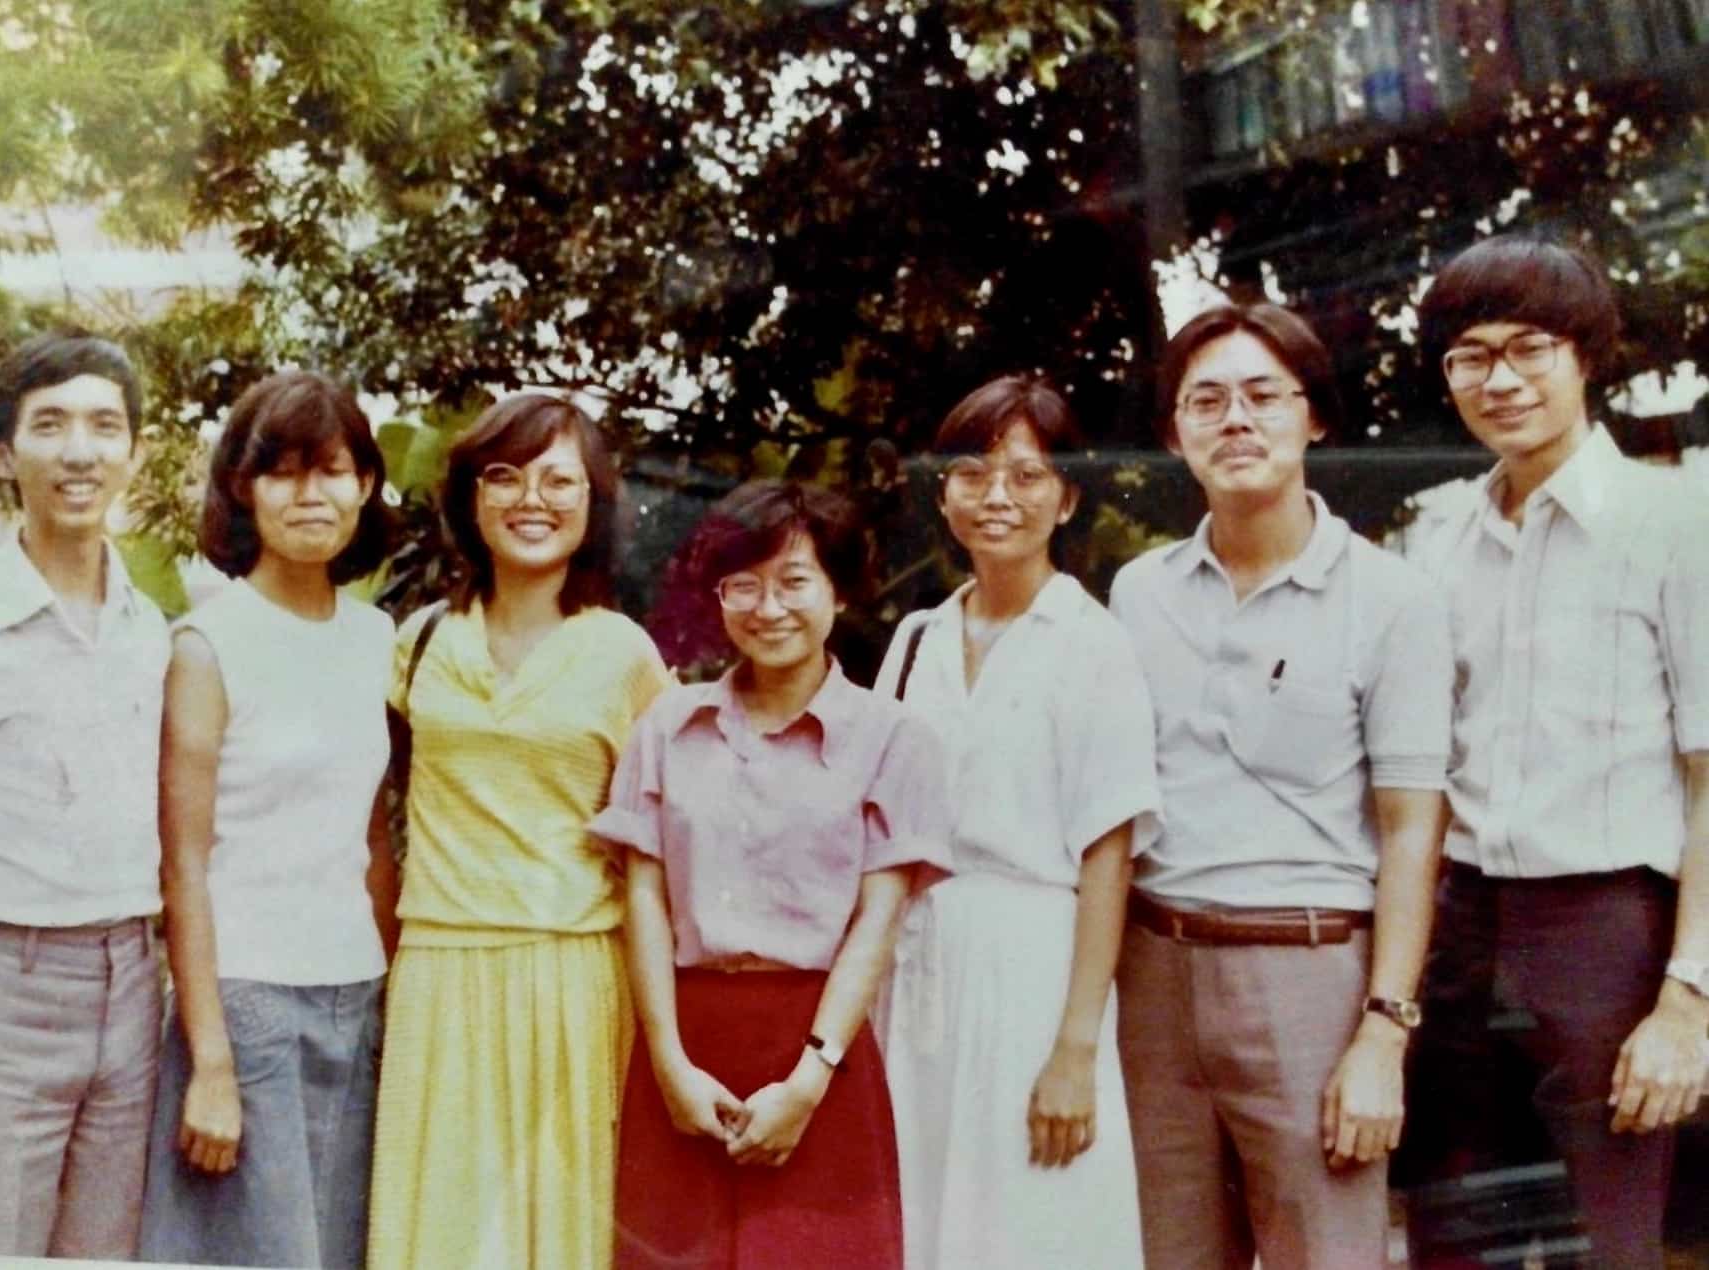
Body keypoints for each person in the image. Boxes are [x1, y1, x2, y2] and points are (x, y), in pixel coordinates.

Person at [1106, 303, 1451, 1268]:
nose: (1236, 421)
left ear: (1315, 418)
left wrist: (1383, 1032)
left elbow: (1413, 831)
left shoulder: (1394, 601)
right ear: (1176, 434)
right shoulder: (1139, 593)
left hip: (1310, 977)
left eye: (1264, 395)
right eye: (1206, 401)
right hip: (1155, 977)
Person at [1402, 236, 1709, 1267]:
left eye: (1529, 348)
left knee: (1608, 1242)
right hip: (1461, 928)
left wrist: (1687, 997)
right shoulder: (1437, 538)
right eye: (1469, 355)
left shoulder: (1675, 523)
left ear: (1585, 357)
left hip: (1606, 931)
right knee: (1455, 1230)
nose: (1499, 378)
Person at [591, 479, 950, 1270]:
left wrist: (809, 1081)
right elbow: (644, 901)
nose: (768, 607)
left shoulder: (893, 739)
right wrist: (670, 1063)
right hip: (683, 1048)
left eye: (794, 581)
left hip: (820, 1053)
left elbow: (877, 924)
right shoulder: (667, 728)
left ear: (837, 589)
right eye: (742, 584)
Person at [367, 393, 668, 1270]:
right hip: (439, 972)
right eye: (505, 476)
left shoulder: (627, 656)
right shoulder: (417, 642)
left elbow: (667, 848)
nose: (531, 499)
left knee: (562, 1233)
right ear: (469, 499)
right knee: (440, 1231)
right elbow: (374, 817)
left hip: (571, 972)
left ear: (593, 503)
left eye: (558, 480)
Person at [876, 376, 1159, 1270]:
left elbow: (1108, 858)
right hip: (915, 973)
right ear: (943, 490)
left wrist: (1075, 1048)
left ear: (1067, 496)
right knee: (919, 1220)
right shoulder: (915, 638)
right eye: (973, 471)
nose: (998, 496)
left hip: (1035, 973)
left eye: (1028, 475)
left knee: (1031, 1225)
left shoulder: (1093, 642)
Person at [138, 370, 397, 1268]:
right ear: (244, 488)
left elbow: (371, 838)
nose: (311, 495)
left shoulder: (378, 642)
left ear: (366, 483)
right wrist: (211, 1060)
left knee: (341, 1251)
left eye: (331, 470)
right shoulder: (209, 645)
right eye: (282, 472)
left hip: (357, 996)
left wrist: (391, 986)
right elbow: (185, 865)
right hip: (247, 1003)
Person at [0, 332, 166, 1258]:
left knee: (101, 1257)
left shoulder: (152, 626)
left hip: (133, 985)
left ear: (134, 452)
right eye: (49, 425)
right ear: (3, 453)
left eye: (103, 426)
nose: (80, 451)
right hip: (5, 985)